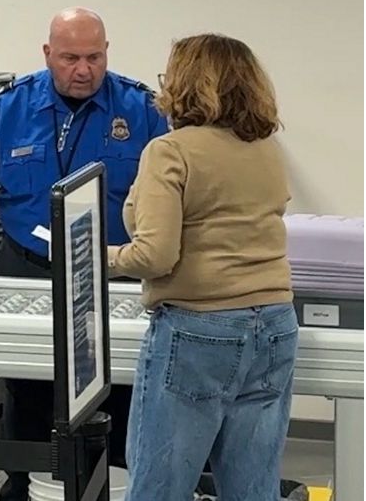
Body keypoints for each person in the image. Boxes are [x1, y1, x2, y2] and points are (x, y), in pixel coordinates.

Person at [0, 7, 167, 501]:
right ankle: (23, 488)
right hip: (29, 270)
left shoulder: (141, 109)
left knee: (119, 395)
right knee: (30, 393)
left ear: (107, 52)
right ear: (47, 54)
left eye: (94, 57)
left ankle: (114, 489)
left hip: (113, 276)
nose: (84, 69)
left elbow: (179, 191)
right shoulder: (9, 108)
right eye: (70, 58)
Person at [108, 34, 295, 501]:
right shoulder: (267, 148)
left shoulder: (171, 151)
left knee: (160, 486)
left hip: (198, 330)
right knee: (254, 487)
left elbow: (156, 255)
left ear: (185, 84)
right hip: (275, 325)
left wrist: (97, 256)